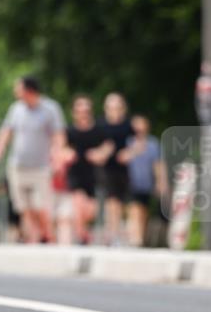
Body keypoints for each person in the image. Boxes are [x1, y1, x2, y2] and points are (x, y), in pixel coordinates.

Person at [0, 76, 65, 243]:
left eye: (19, 89)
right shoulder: (16, 109)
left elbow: (58, 135)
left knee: (41, 207)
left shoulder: (50, 109)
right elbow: (7, 130)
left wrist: (58, 157)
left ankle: (48, 235)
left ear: (29, 90)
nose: (16, 92)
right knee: (23, 207)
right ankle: (34, 238)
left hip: (41, 166)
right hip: (18, 166)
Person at [64, 96, 114, 244]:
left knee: (90, 211)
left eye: (86, 110)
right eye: (80, 110)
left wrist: (100, 154)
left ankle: (83, 232)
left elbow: (109, 146)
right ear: (74, 113)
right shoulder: (69, 131)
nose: (83, 113)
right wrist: (67, 154)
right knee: (78, 204)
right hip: (75, 173)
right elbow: (59, 147)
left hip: (94, 174)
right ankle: (81, 238)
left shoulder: (99, 130)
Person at [118, 115, 166, 247]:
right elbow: (121, 158)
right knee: (135, 209)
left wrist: (160, 181)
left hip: (146, 183)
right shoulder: (127, 141)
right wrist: (135, 150)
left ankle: (141, 239)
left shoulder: (153, 144)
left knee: (143, 211)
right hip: (129, 182)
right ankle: (136, 239)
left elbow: (157, 164)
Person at [98, 92, 134, 244]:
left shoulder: (128, 125)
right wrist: (103, 151)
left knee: (120, 200)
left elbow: (139, 144)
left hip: (122, 168)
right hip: (106, 168)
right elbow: (94, 146)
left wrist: (129, 153)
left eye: (118, 107)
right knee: (110, 199)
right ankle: (111, 231)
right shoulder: (100, 125)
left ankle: (117, 230)